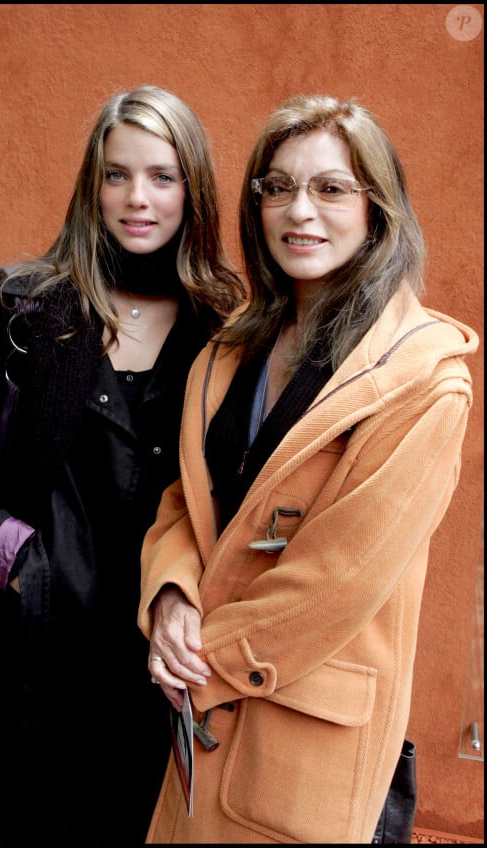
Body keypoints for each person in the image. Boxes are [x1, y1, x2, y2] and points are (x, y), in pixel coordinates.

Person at [138, 94, 479, 844]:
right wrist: (168, 599)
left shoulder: (427, 378)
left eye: (331, 188)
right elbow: (185, 503)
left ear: (377, 208)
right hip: (196, 712)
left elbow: (341, 577)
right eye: (278, 186)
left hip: (295, 730)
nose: (301, 210)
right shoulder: (233, 345)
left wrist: (200, 660)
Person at [0, 85, 245, 846]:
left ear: (192, 189)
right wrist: (15, 560)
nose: (138, 198)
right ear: (90, 186)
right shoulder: (24, 304)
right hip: (35, 638)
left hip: (153, 648)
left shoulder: (228, 329)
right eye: (116, 173)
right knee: (32, 822)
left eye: (163, 176)